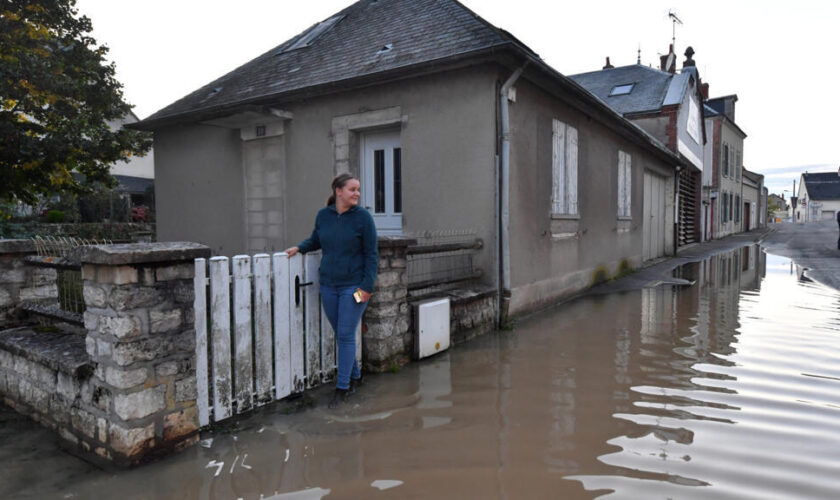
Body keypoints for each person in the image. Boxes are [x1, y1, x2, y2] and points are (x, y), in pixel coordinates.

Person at [285, 173, 378, 408]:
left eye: (358, 189)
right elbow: (317, 240)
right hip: (328, 285)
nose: (357, 193)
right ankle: (356, 375)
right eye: (352, 189)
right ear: (338, 191)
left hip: (354, 288)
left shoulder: (364, 218)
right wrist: (300, 247)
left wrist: (366, 287)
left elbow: (372, 255)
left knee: (346, 335)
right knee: (342, 334)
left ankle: (342, 388)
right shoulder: (323, 216)